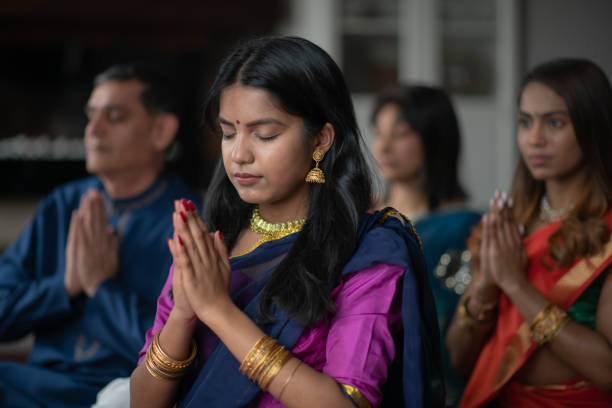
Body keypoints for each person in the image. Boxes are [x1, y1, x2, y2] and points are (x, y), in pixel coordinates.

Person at [130, 36, 444, 408]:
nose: (238, 154)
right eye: (228, 133)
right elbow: (143, 403)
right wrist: (183, 314)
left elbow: (347, 404)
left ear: (321, 140)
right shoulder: (213, 238)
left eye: (265, 135)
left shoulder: (367, 250)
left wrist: (218, 311)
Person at [0, 64, 203, 407]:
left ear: (161, 131)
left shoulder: (188, 223)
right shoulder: (63, 204)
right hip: (38, 384)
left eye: (115, 116)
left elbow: (177, 351)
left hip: (123, 390)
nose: (93, 130)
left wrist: (101, 287)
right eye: (91, 115)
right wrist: (65, 287)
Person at [446, 58, 612, 407]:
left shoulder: (606, 233)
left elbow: (608, 371)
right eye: (525, 122)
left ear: (591, 126)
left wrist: (516, 284)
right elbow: (459, 358)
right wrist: (487, 286)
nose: (535, 139)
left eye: (554, 123)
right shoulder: (508, 225)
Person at [372, 85, 481, 406]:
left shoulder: (468, 229)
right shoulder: (360, 219)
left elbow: (454, 344)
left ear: (435, 139)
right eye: (378, 132)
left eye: (401, 133)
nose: (384, 146)